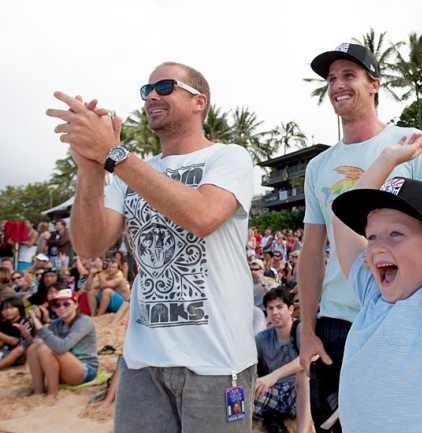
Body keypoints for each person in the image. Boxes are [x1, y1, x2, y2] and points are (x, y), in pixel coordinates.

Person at [48, 61, 256, 431]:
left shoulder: (228, 157)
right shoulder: (130, 172)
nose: (152, 97)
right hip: (142, 362)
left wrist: (113, 154)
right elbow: (90, 244)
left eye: (164, 87)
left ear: (199, 101)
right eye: (147, 91)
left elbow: (203, 216)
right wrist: (91, 170)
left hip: (217, 362)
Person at [328, 23, 422, 431]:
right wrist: (386, 160)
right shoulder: (371, 297)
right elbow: (342, 225)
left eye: (396, 234)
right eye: (373, 235)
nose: (377, 245)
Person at [300, 39, 422, 432]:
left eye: (349, 75)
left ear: (375, 84)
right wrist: (308, 328)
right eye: (331, 78)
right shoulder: (319, 166)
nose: (337, 85)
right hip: (336, 318)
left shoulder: (411, 143)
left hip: (400, 313)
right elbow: (312, 252)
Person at [20, 289, 98, 398]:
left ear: (75, 305)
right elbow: (31, 350)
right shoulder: (56, 324)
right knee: (35, 347)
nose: (61, 308)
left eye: (66, 304)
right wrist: (26, 337)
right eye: (57, 305)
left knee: (46, 348)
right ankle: (38, 390)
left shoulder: (84, 321)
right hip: (66, 367)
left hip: (85, 369)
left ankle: (52, 393)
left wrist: (41, 328)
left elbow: (62, 347)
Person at [254, 288, 311, 433]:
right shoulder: (262, 338)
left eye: (280, 307)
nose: (275, 313)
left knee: (303, 374)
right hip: (274, 392)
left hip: (298, 392)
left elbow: (309, 357)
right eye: (270, 308)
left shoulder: (300, 329)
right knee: (242, 394)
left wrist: (274, 375)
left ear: (290, 309)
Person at [0, 296, 29, 370]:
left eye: (11, 308)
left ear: (19, 308)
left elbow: (14, 341)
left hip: (22, 353)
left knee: (18, 350)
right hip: (6, 351)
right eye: (4, 309)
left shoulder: (23, 321)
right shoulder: (5, 323)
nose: (8, 311)